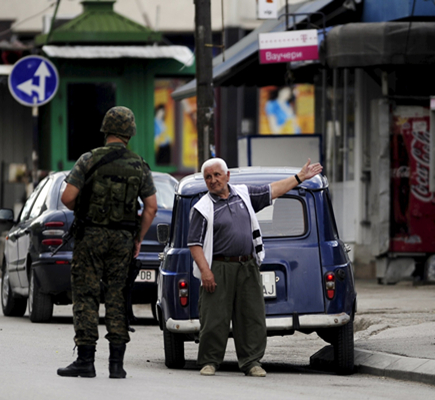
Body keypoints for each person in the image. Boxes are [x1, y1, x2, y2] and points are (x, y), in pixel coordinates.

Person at [188, 157, 322, 377]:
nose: (213, 180)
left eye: (217, 175)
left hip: (248, 265)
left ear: (227, 175)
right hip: (219, 268)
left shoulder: (243, 194)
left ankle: (251, 362)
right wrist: (205, 271)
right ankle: (210, 361)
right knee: (214, 317)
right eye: (208, 177)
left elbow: (273, 190)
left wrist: (300, 177)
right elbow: (194, 243)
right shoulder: (202, 208)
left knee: (252, 316)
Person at [57, 106, 158, 379]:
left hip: (91, 236)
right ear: (130, 133)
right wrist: (137, 237)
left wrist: (86, 209)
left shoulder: (88, 159)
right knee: (117, 295)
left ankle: (86, 361)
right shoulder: (139, 165)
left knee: (86, 295)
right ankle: (116, 365)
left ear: (106, 130)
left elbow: (67, 198)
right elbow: (151, 207)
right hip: (123, 239)